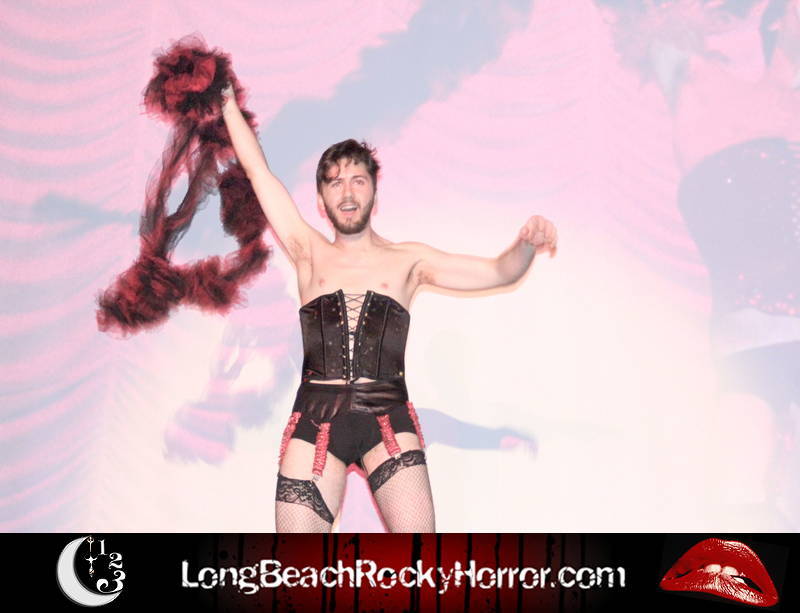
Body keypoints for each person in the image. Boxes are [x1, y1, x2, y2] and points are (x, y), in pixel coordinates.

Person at [219, 84, 558, 533]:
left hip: (387, 419)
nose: (347, 191)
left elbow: (499, 271)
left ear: (374, 194)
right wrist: (225, 101)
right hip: (315, 422)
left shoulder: (409, 261)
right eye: (335, 182)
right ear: (320, 201)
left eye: (358, 180)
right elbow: (257, 171)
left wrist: (526, 245)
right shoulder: (307, 252)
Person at [597, 0, 800, 528]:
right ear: (775, 18)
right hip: (751, 340)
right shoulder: (698, 82)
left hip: (759, 343)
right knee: (740, 493)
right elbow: (639, 18)